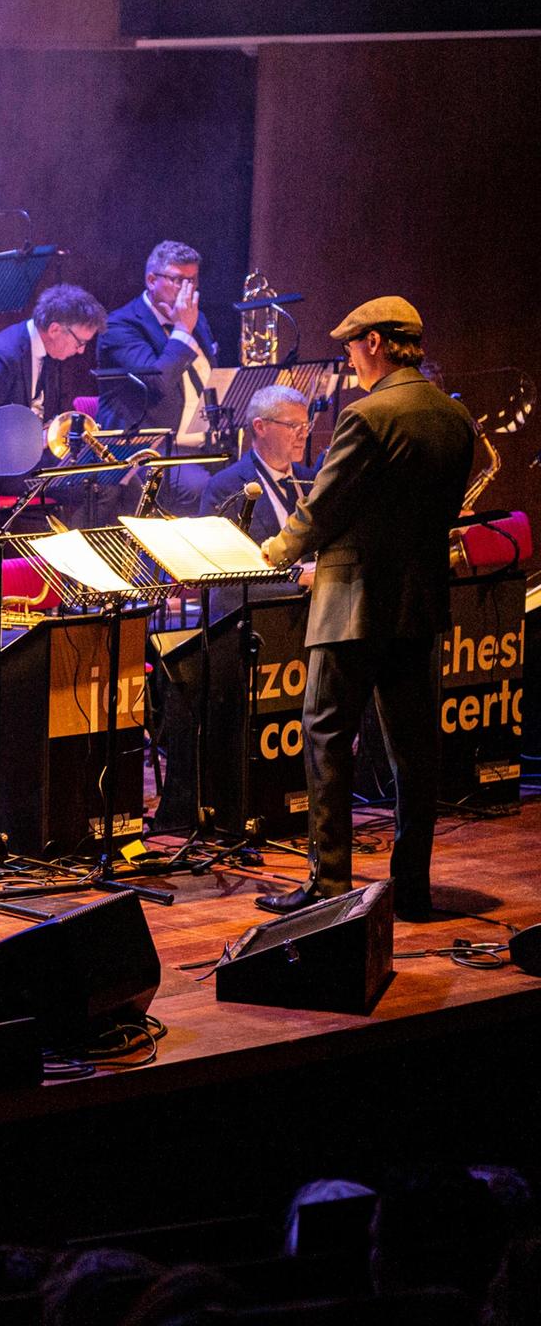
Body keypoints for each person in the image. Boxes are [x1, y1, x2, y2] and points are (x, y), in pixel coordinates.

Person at [256, 297, 474, 921]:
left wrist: (280, 547)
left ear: (375, 342)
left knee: (327, 736)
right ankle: (413, 887)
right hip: (419, 603)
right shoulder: (453, 417)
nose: (349, 357)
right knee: (414, 749)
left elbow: (324, 508)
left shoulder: (367, 415)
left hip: (353, 605)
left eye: (352, 344)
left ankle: (329, 889)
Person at [95, 240, 224, 514]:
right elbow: (158, 383)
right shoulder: (120, 325)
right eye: (178, 280)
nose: (186, 290)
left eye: (192, 280)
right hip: (149, 448)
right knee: (201, 488)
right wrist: (181, 332)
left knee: (246, 479)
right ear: (151, 280)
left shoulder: (196, 319)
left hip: (201, 444)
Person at [0, 283, 107, 512]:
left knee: (112, 475)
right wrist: (34, 439)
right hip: (2, 469)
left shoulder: (48, 353)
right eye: (81, 343)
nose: (81, 351)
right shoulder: (1, 358)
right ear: (55, 330)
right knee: (96, 486)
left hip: (32, 459)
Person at [198, 383, 315, 543]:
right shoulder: (225, 488)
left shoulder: (312, 480)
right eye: (293, 426)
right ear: (260, 427)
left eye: (306, 425)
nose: (303, 435)